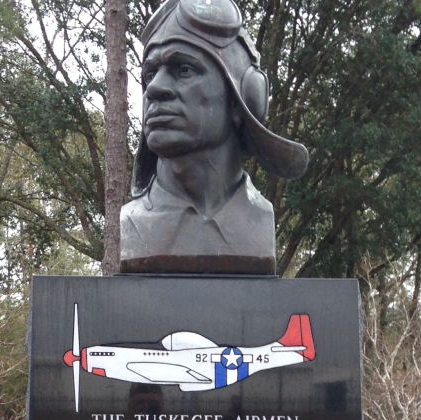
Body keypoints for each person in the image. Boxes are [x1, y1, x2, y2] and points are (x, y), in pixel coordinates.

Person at [120, 0, 308, 275]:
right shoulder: (133, 221)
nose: (154, 89)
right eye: (150, 74)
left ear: (239, 101)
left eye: (184, 69)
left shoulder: (260, 219)